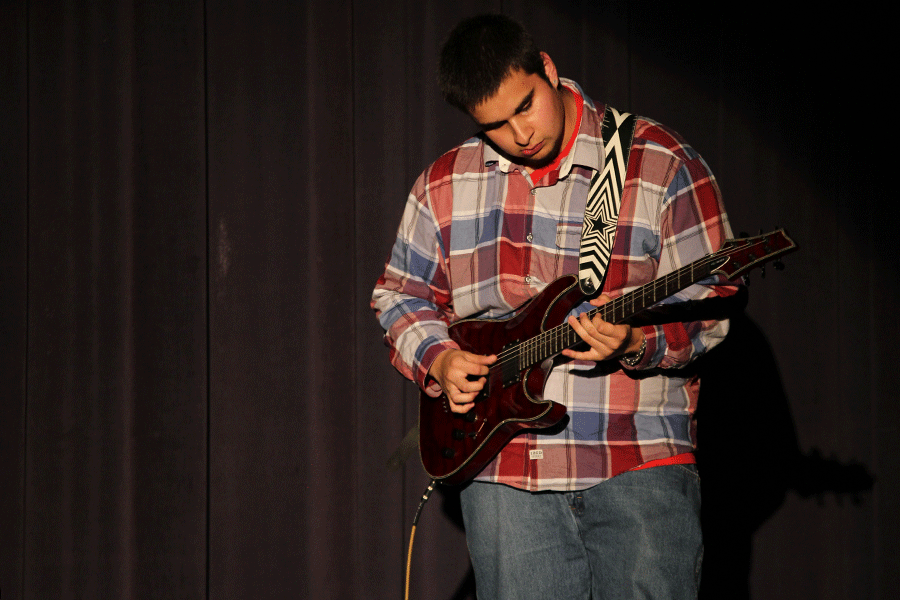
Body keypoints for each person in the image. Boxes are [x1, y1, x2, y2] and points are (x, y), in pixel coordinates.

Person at [372, 13, 740, 600]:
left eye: (526, 106)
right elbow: (399, 294)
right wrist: (438, 359)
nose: (519, 134)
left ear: (546, 68)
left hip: (634, 456)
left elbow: (714, 304)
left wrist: (639, 344)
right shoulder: (443, 183)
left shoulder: (659, 161)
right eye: (493, 125)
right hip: (502, 472)